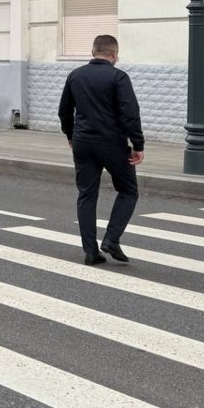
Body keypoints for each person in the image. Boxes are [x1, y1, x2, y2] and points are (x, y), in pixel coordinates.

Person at [57, 34, 145, 266]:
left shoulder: (75, 75)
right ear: (114, 54)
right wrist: (138, 144)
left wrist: (70, 135)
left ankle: (90, 252)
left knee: (86, 194)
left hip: (82, 142)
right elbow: (130, 113)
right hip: (112, 143)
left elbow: (64, 111)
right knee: (129, 191)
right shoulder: (118, 77)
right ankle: (112, 238)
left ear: (93, 51)